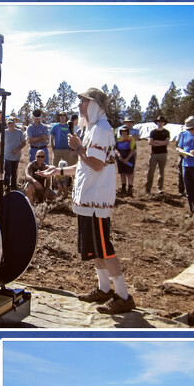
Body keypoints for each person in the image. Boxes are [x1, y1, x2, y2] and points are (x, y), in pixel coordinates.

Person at [64, 87, 135, 314]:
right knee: (95, 248)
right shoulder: (94, 129)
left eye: (83, 102)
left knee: (104, 249)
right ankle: (104, 288)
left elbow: (95, 164)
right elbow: (89, 164)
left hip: (96, 202)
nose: (79, 107)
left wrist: (77, 148)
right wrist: (58, 171)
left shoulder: (101, 130)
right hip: (88, 201)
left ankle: (123, 296)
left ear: (94, 105)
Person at [145, 115, 171, 195]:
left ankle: (159, 189)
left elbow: (167, 142)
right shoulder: (153, 132)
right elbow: (150, 142)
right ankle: (148, 189)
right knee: (151, 172)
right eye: (159, 122)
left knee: (161, 172)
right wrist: (161, 143)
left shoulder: (166, 132)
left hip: (163, 154)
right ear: (157, 122)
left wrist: (156, 142)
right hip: (154, 154)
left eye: (162, 122)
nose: (160, 123)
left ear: (164, 123)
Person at [0, 117, 27, 190]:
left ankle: (13, 186)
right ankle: (6, 187)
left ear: (14, 123)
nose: (10, 125)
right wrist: (1, 152)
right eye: (9, 123)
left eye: (12, 123)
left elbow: (24, 143)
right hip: (7, 156)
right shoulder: (4, 132)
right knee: (7, 172)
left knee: (14, 172)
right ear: (7, 124)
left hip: (16, 156)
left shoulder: (19, 132)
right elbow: (0, 143)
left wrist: (17, 149)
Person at [115, 125, 135, 196]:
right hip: (120, 158)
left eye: (125, 131)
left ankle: (130, 188)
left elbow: (132, 150)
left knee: (130, 172)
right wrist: (119, 155)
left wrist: (127, 159)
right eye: (122, 132)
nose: (124, 133)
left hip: (129, 158)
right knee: (122, 172)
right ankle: (123, 187)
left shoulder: (131, 139)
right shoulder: (118, 139)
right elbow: (115, 149)